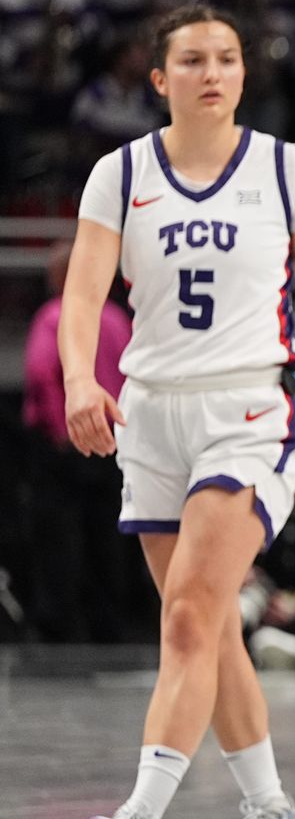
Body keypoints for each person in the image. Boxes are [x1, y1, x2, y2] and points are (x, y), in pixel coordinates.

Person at [66, 4, 295, 819]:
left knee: (188, 615)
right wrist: (78, 378)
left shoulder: (286, 170)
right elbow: (83, 292)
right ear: (159, 78)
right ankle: (271, 807)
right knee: (207, 628)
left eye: (228, 58)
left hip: (251, 406)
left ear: (245, 74)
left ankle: (138, 816)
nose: (213, 73)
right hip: (151, 415)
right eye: (194, 60)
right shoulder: (121, 173)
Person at [22, 239, 136, 641]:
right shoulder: (117, 319)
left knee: (60, 537)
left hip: (66, 445)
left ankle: (61, 625)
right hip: (111, 441)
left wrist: (59, 432)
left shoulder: (54, 317)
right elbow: (130, 378)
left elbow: (40, 374)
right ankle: (109, 621)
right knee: (109, 535)